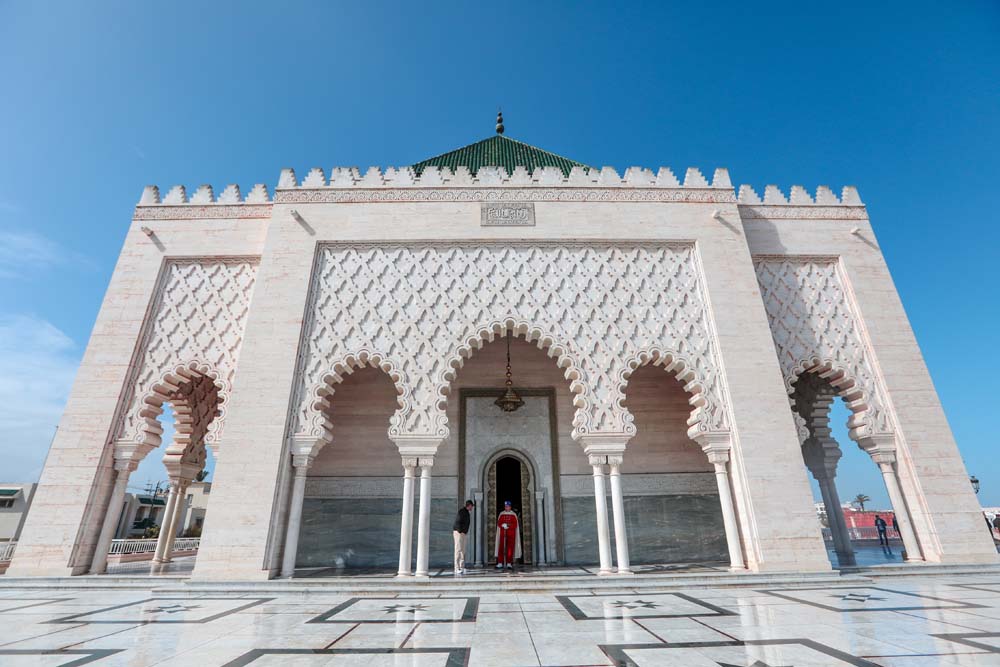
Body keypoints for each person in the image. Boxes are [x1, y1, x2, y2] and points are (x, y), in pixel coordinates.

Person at [494, 500, 522, 570]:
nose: (507, 508)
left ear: (510, 507)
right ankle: (500, 563)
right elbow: (499, 523)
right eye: (506, 506)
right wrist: (502, 525)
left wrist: (508, 525)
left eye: (508, 506)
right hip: (503, 534)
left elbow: (515, 524)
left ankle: (509, 563)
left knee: (510, 548)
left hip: (511, 534)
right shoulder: (501, 514)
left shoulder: (513, 515)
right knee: (501, 548)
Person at [452, 500, 474, 575]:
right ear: (469, 505)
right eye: (472, 506)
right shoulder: (461, 511)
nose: (472, 508)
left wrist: (464, 532)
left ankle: (461, 567)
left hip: (463, 533)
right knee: (458, 549)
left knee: (463, 550)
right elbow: (458, 521)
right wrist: (460, 531)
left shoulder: (467, 512)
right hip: (459, 533)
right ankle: (456, 567)